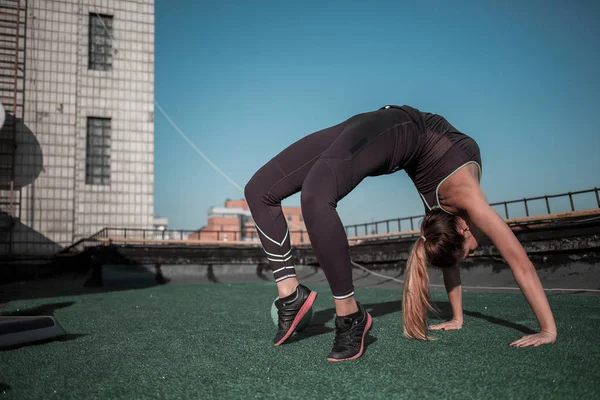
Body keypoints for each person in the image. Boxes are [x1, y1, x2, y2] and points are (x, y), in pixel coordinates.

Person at [244, 104, 557, 362]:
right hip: (393, 127)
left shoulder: (441, 218)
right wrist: (547, 330)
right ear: (463, 228)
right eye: (471, 250)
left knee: (290, 192)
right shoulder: (471, 204)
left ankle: (318, 304)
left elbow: (449, 262)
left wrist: (457, 317)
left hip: (376, 125)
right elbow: (521, 265)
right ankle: (328, 308)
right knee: (271, 191)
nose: (477, 246)